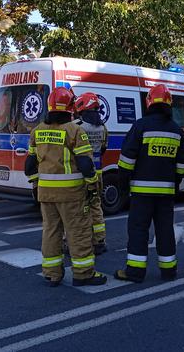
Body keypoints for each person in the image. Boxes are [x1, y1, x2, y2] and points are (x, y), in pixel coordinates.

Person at [24, 87, 107, 287]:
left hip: (46, 194)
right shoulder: (74, 130)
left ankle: (52, 273)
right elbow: (86, 165)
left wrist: (36, 183)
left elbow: (29, 166)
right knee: (78, 232)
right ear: (70, 108)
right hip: (72, 194)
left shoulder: (38, 131)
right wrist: (92, 185)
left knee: (51, 232)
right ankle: (83, 273)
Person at [114, 84, 184, 283]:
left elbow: (127, 159)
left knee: (138, 229)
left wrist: (123, 184)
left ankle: (135, 272)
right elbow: (182, 165)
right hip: (166, 193)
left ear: (149, 102)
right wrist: (175, 182)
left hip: (141, 192)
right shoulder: (176, 130)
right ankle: (169, 271)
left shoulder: (140, 126)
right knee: (165, 230)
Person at [74, 92, 109, 255]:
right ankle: (99, 241)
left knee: (78, 209)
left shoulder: (77, 126)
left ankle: (75, 241)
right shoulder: (102, 127)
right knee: (96, 207)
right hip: (98, 173)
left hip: (80, 174)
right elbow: (103, 149)